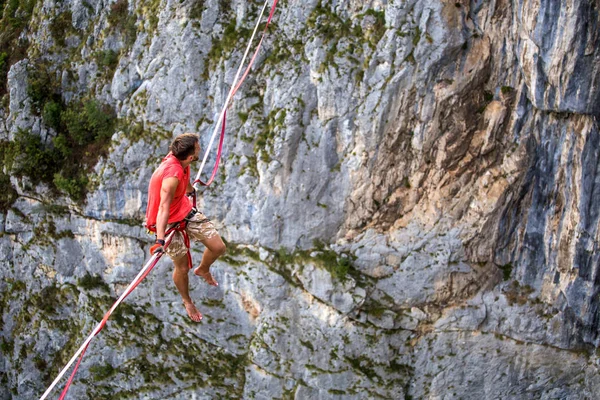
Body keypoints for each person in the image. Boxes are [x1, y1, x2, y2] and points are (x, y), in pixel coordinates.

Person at [145, 133, 226, 322]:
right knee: (182, 268)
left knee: (218, 247)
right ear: (190, 156)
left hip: (184, 208)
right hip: (165, 222)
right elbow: (163, 207)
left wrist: (189, 191)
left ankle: (203, 269)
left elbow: (184, 173)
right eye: (198, 148)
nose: (200, 149)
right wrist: (159, 240)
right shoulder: (171, 176)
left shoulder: (179, 160)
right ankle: (187, 301)